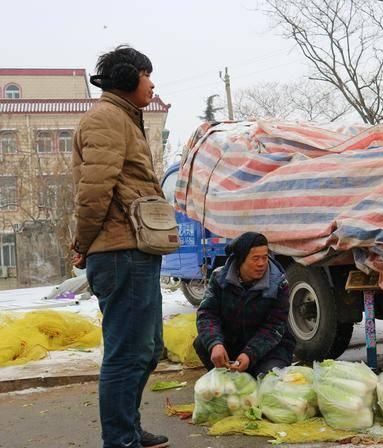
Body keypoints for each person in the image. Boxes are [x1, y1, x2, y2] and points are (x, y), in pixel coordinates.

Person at [71, 46, 169, 448]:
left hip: (135, 250)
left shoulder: (124, 119)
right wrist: (83, 241)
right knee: (127, 354)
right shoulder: (107, 119)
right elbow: (93, 191)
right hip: (119, 253)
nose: (152, 83)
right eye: (147, 75)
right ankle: (120, 440)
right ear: (129, 78)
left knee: (147, 351)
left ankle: (127, 428)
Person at [193, 232, 296, 377]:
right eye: (255, 258)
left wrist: (250, 353)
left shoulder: (279, 283)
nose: (261, 263)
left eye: (265, 257)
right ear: (240, 260)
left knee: (268, 379)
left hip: (269, 348)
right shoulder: (219, 278)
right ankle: (227, 381)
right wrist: (215, 344)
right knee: (203, 343)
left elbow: (275, 326)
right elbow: (206, 314)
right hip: (234, 342)